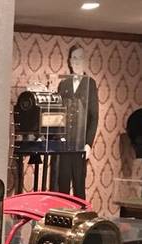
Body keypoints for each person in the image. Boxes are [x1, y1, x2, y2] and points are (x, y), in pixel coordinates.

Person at [53, 45, 99, 199]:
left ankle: (81, 220)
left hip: (80, 144)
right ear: (69, 61)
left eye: (80, 57)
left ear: (84, 60)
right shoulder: (63, 84)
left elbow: (94, 117)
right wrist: (58, 138)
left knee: (79, 186)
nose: (77, 61)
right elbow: (59, 113)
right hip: (64, 144)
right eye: (74, 58)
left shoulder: (90, 84)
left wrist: (88, 144)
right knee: (62, 185)